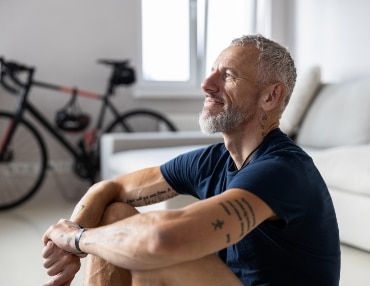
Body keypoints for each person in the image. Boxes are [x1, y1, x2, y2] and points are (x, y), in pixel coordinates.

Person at [42, 34, 341, 286]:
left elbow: (162, 240)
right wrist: (72, 238)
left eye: (228, 75)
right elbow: (110, 189)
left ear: (271, 96)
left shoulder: (283, 170)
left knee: (155, 256)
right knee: (115, 213)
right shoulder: (215, 160)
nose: (206, 84)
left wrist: (78, 239)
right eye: (212, 71)